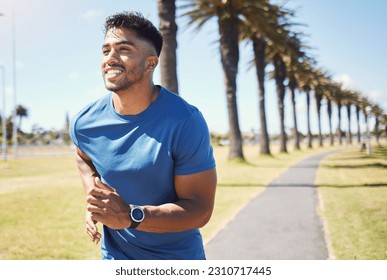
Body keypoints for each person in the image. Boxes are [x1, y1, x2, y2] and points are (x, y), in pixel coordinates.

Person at [69, 11, 217, 260]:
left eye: (123, 49)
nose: (111, 58)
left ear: (151, 63)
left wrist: (129, 216)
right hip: (115, 259)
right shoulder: (85, 123)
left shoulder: (185, 121)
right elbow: (83, 157)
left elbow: (200, 210)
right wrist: (94, 199)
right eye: (106, 51)